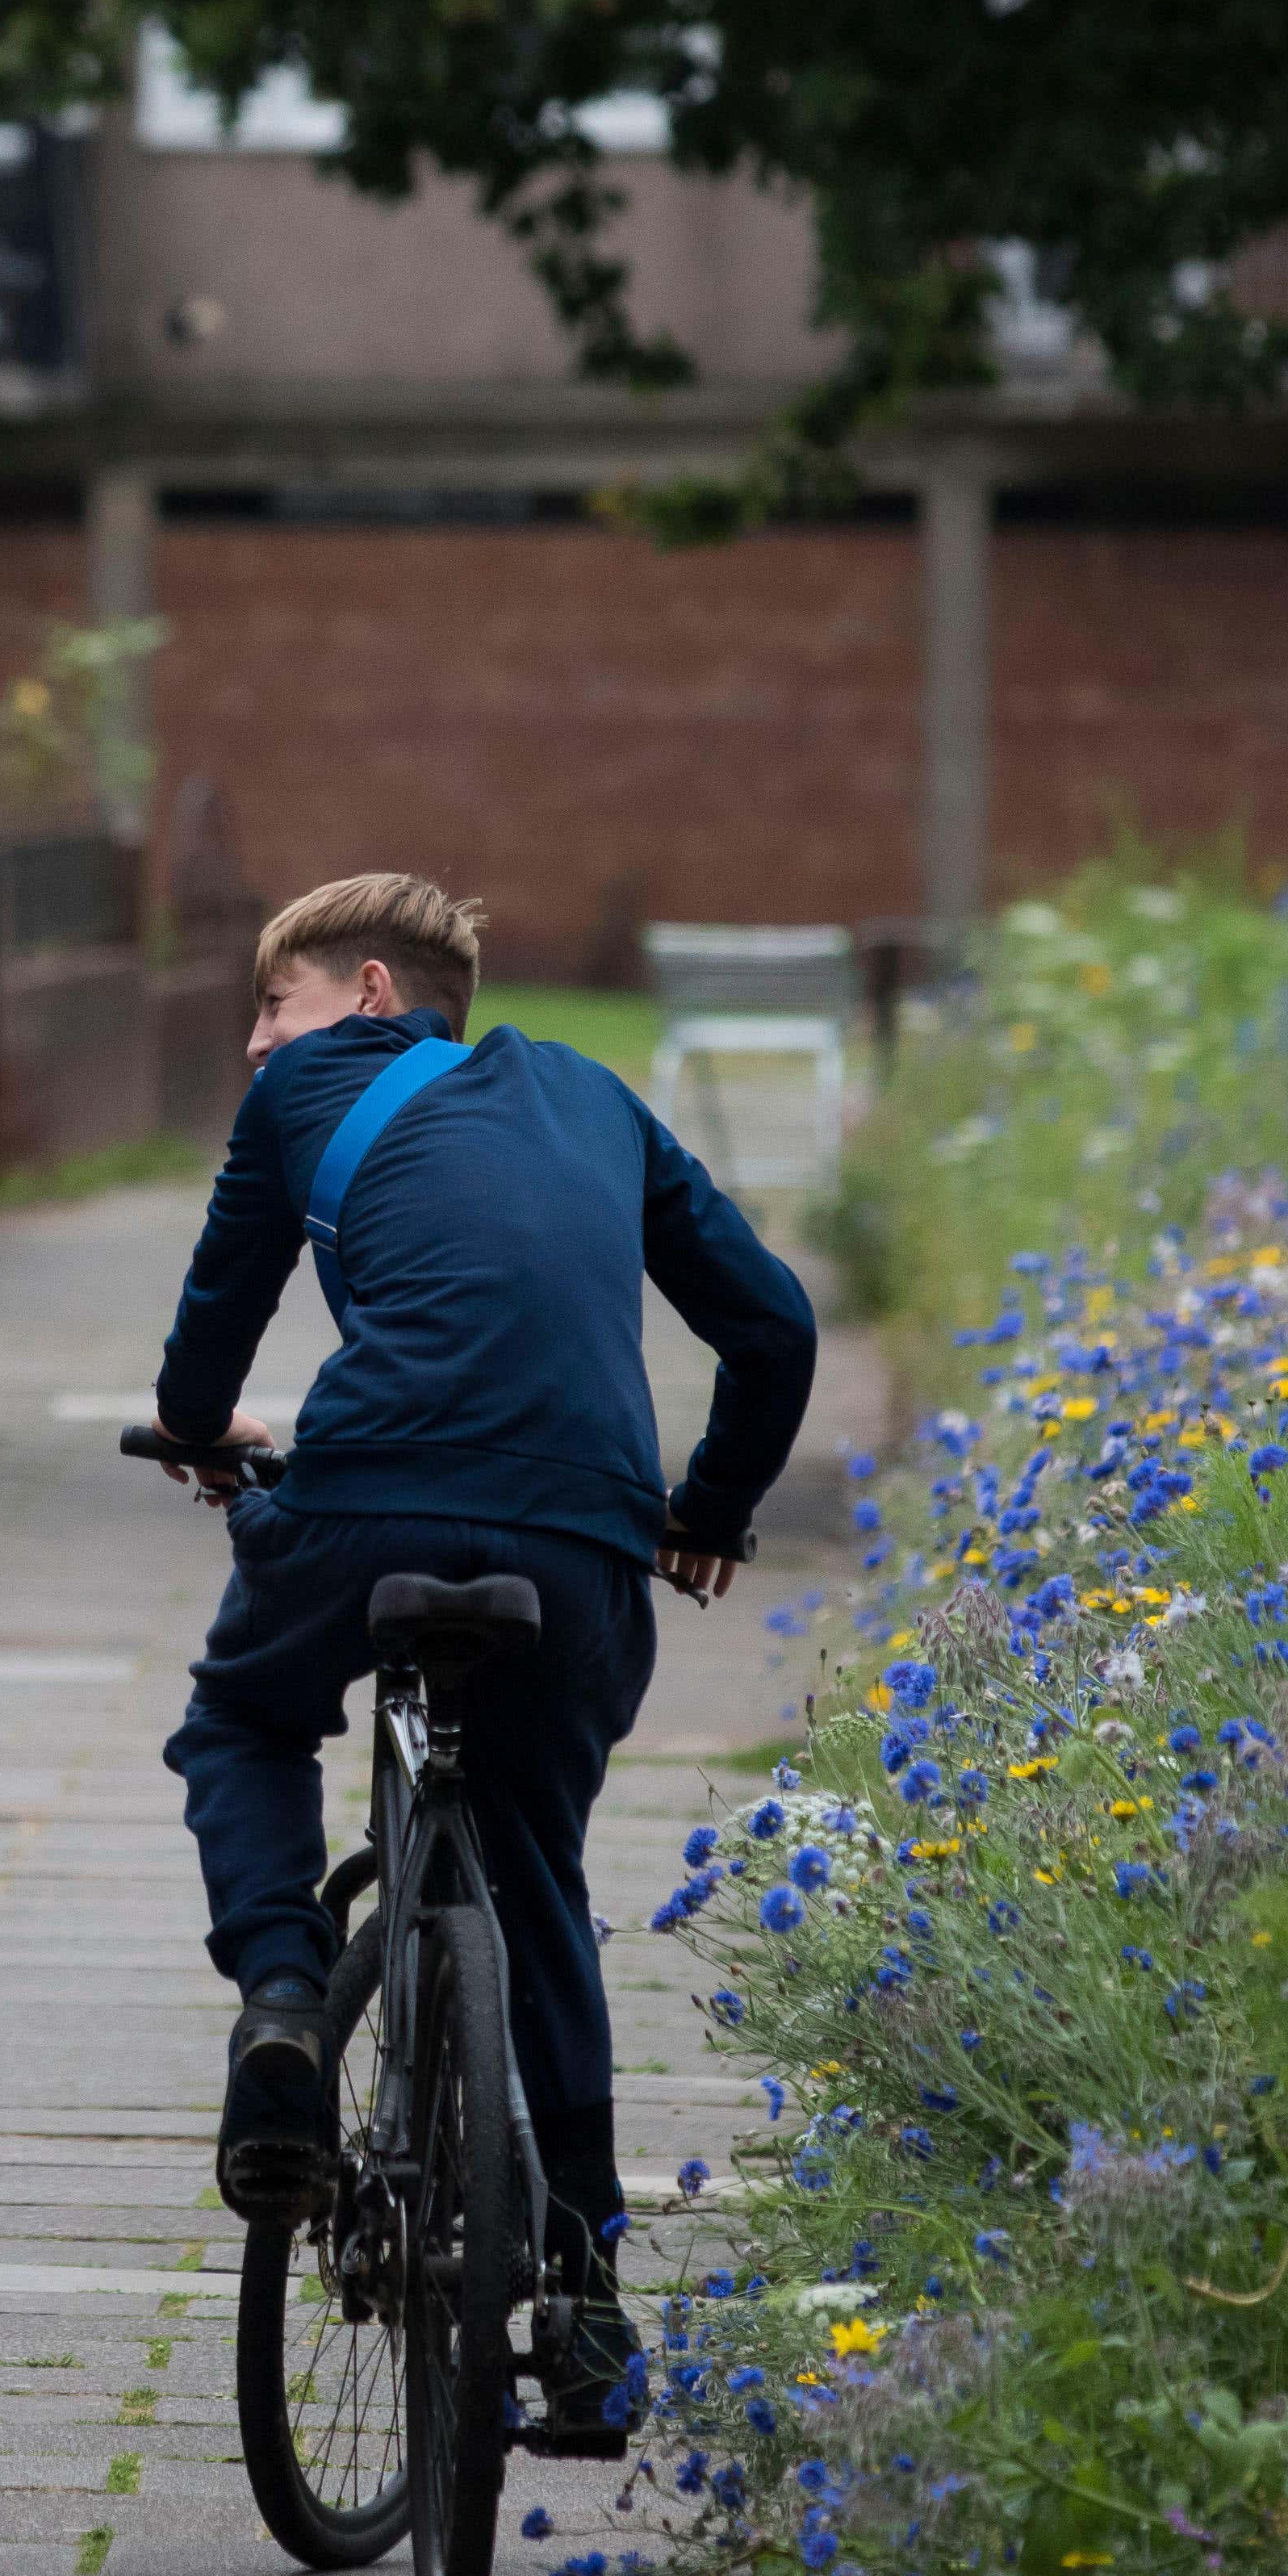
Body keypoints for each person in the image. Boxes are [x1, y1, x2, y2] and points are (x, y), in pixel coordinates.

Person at [146, 870, 814, 2450]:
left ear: (371, 993)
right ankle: (584, 2315)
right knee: (528, 1872)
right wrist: (703, 1511)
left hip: (362, 1507)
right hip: (581, 1545)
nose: (257, 1042)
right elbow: (772, 1327)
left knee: (241, 1718)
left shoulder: (304, 1095)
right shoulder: (594, 1099)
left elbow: (207, 1339)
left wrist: (196, 1437)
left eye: (276, 1003)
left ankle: (287, 2011)